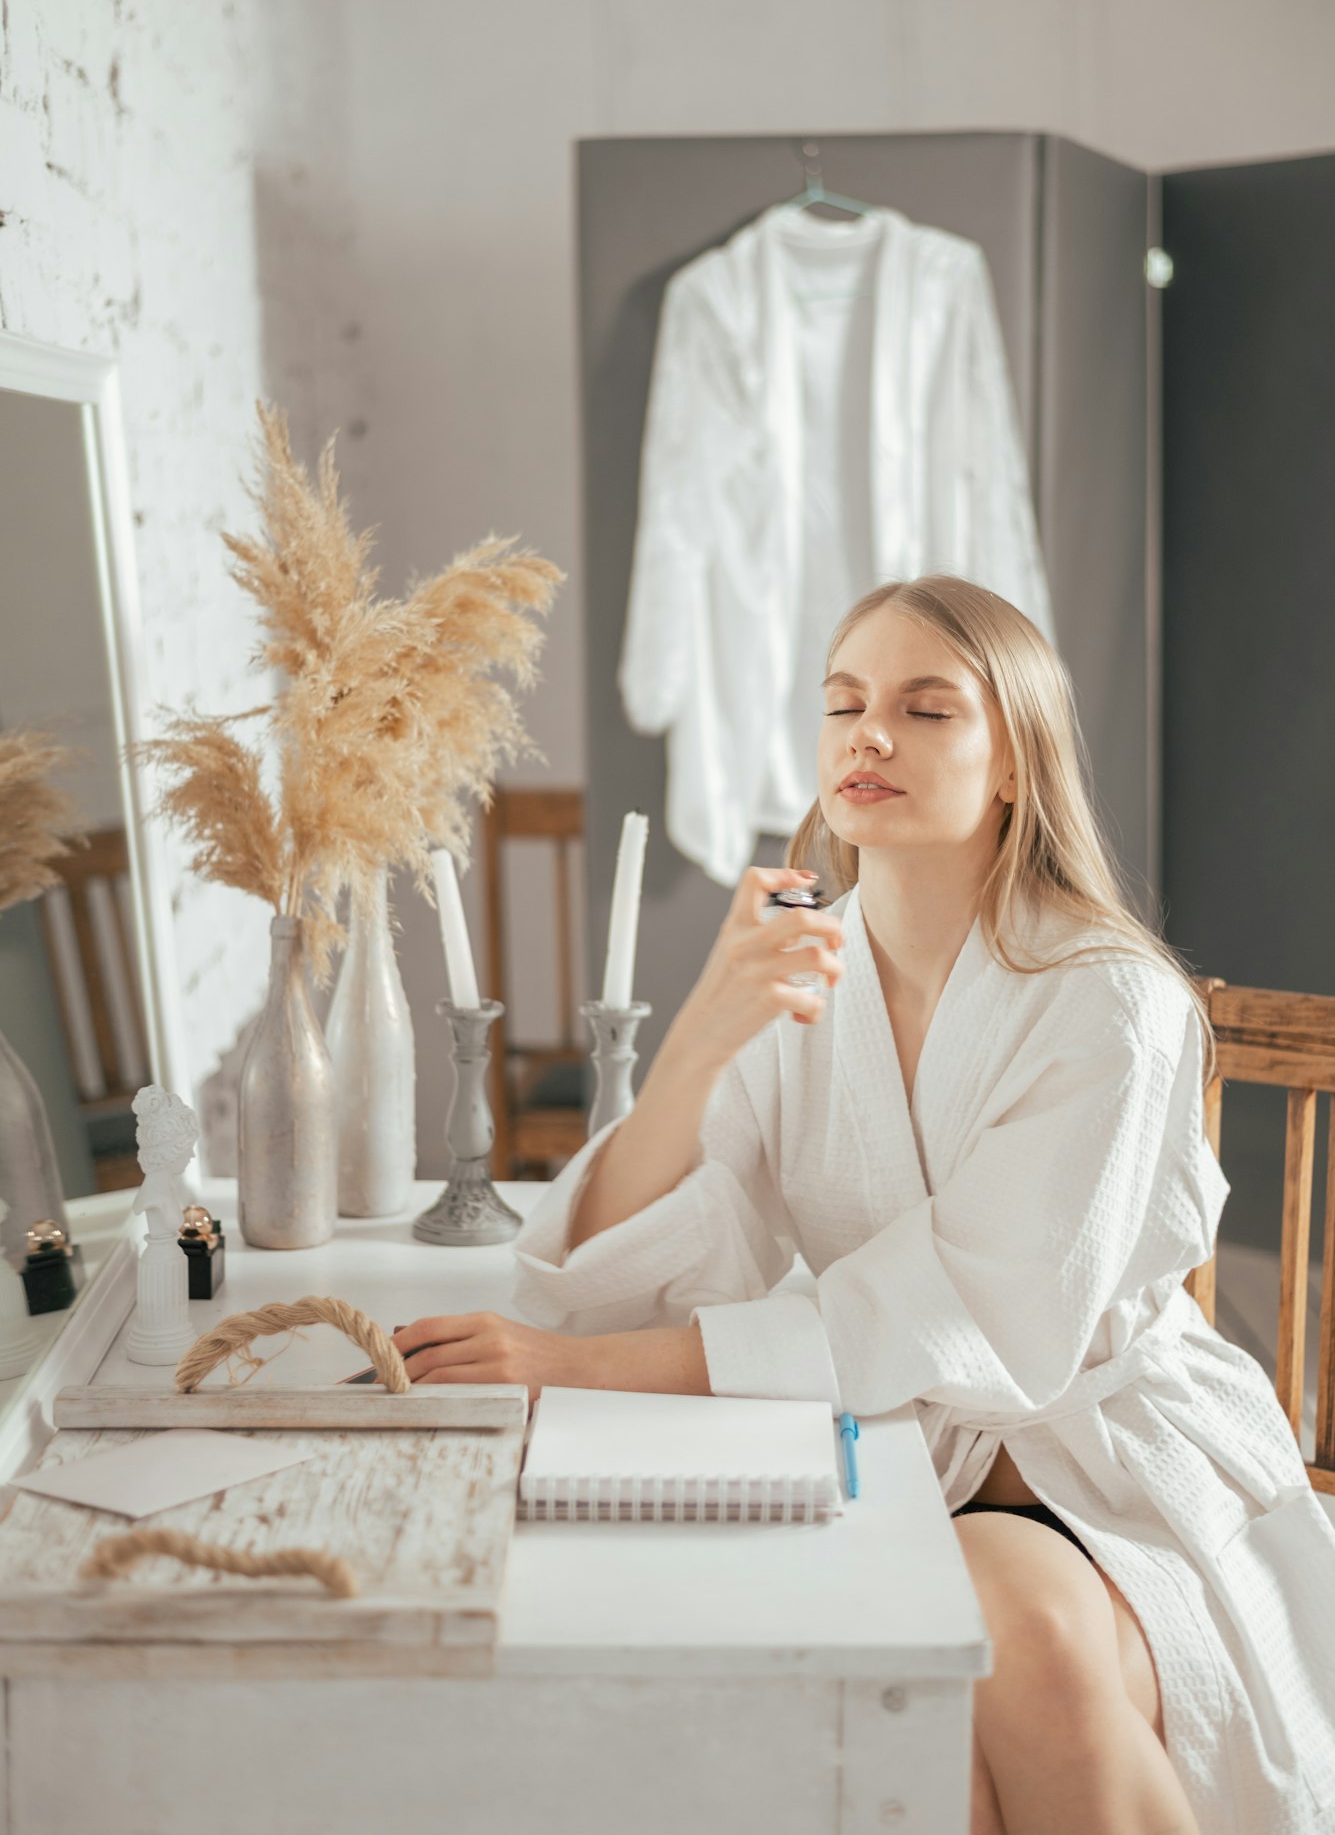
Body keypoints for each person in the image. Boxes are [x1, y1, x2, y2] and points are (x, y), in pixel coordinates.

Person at [393, 575, 1335, 1835]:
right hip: (894, 1455)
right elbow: (647, 1257)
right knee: (931, 1731)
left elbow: (983, 1309)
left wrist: (574, 1364)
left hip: (1103, 1463)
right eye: (844, 703)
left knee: (1014, 1638)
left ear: (1016, 761)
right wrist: (701, 1042)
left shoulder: (1110, 999)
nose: (867, 735)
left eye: (925, 707)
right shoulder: (806, 967)